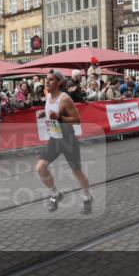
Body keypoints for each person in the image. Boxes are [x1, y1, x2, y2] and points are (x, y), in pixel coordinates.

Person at [35, 71, 92, 214]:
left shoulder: (65, 99)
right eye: (46, 79)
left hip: (68, 139)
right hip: (54, 138)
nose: (47, 82)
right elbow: (51, 112)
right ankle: (55, 194)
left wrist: (60, 118)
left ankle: (87, 196)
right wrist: (43, 113)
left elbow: (77, 119)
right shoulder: (48, 96)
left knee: (76, 171)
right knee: (40, 168)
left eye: (51, 80)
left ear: (59, 82)